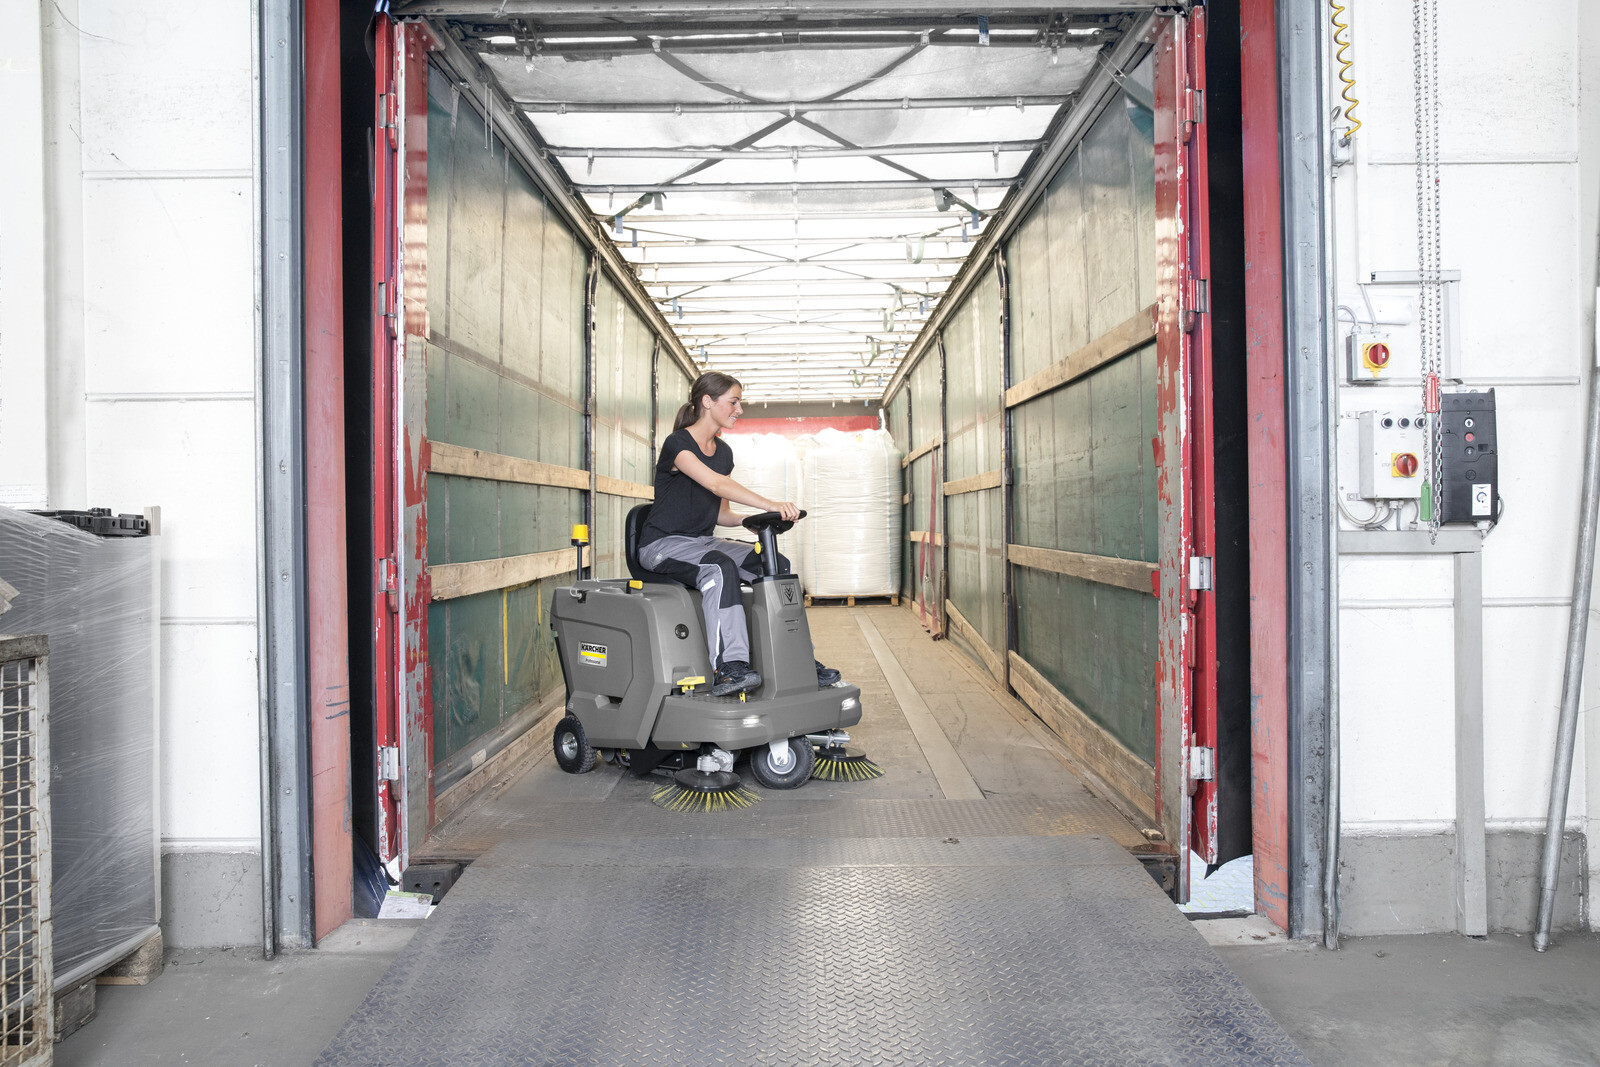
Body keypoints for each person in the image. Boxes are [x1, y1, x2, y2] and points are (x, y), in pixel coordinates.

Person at [638, 371, 841, 697]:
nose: (739, 409)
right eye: (733, 402)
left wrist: (759, 518)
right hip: (663, 545)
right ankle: (729, 668)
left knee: (775, 563)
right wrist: (770, 503)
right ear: (707, 402)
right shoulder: (678, 444)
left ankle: (798, 658)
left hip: (702, 541)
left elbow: (721, 513)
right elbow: (716, 484)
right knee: (719, 568)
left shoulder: (723, 453)